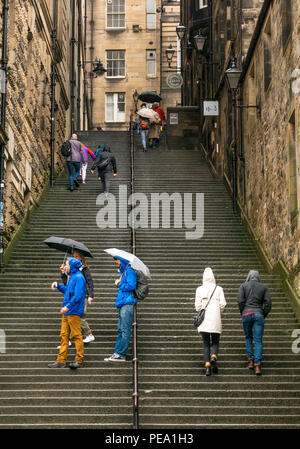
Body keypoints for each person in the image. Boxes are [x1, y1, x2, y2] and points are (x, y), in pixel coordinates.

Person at [48, 257, 86, 369]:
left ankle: (79, 360)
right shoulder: (73, 277)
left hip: (73, 311)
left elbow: (78, 296)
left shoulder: (79, 278)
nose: (65, 266)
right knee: (64, 336)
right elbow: (68, 292)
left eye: (67, 264)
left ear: (72, 266)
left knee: (76, 335)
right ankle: (61, 361)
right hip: (68, 311)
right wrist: (58, 285)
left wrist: (67, 306)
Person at [238, 270, 272, 376]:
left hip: (246, 314)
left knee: (248, 337)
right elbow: (268, 303)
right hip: (258, 314)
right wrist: (263, 314)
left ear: (249, 276)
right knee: (258, 340)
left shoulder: (243, 286)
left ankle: (251, 361)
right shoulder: (264, 287)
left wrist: (243, 312)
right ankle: (258, 365)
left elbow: (240, 301)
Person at [59, 249, 95, 345]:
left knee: (79, 316)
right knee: (71, 317)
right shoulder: (70, 270)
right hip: (71, 296)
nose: (74, 258)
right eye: (73, 256)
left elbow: (90, 282)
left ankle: (89, 334)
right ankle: (68, 339)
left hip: (82, 296)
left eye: (77, 256)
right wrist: (63, 273)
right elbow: (67, 284)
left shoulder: (84, 269)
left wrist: (91, 295)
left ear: (81, 258)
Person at [104, 256, 137, 362]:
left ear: (122, 261)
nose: (116, 263)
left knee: (124, 330)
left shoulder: (130, 271)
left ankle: (121, 354)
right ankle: (117, 353)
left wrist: (119, 283)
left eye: (117, 260)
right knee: (121, 329)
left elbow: (132, 286)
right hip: (123, 303)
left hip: (127, 304)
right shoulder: (124, 273)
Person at [195, 267, 226, 376]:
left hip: (204, 321)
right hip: (215, 319)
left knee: (206, 343)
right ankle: (214, 356)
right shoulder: (219, 289)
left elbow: (197, 307)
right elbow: (223, 304)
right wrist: (218, 310)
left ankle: (207, 366)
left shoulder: (199, 289)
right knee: (216, 341)